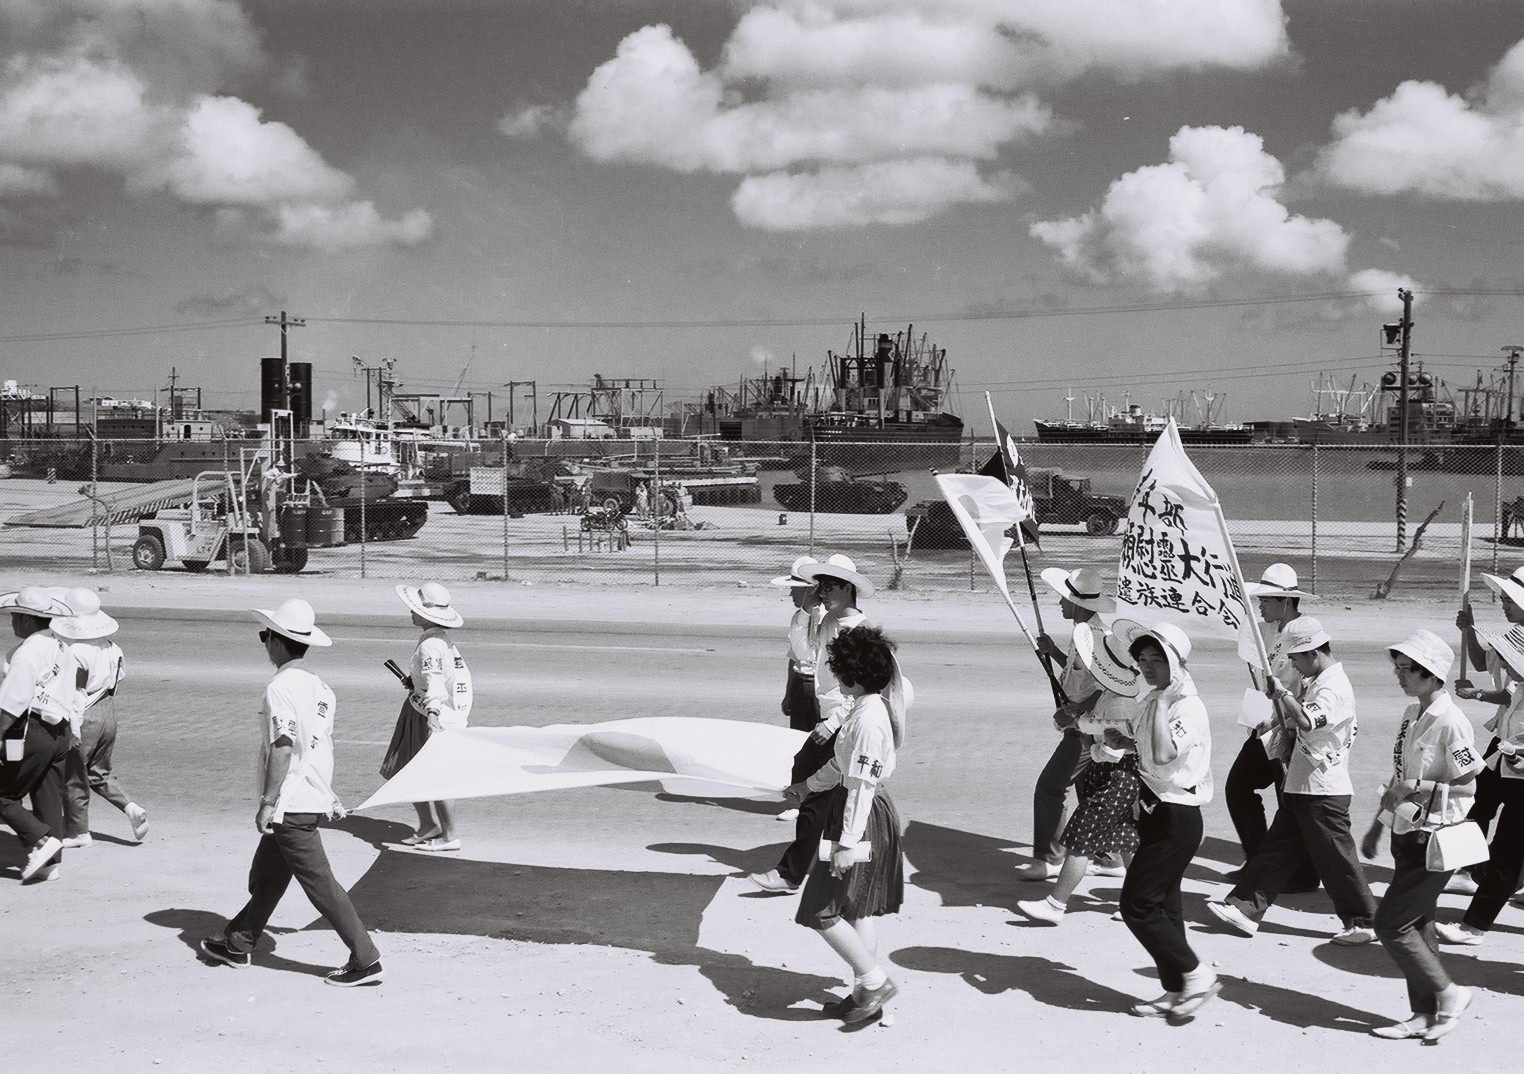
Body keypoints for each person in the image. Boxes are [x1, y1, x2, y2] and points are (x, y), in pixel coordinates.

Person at [199, 598, 383, 986]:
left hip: (291, 804)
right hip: (307, 796)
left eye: (265, 636)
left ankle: (365, 957)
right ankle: (238, 941)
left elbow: (283, 747)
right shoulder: (321, 688)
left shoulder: (280, 687)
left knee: (320, 883)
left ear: (278, 641)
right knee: (268, 875)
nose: (265, 643)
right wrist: (325, 793)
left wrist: (267, 802)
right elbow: (321, 746)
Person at [1206, 616, 1377, 944]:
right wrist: (1274, 722)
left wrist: (1282, 694)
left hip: (1323, 790)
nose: (1294, 666)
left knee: (1336, 858)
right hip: (1302, 784)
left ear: (1315, 653)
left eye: (1296, 658)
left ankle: (1365, 921)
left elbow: (1308, 721)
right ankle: (1245, 908)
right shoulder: (1318, 681)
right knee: (1276, 850)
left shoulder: (1333, 686)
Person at [1357, 629, 1482, 1040]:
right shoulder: (1412, 714)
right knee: (1420, 925)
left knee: (1391, 924)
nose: (1399, 675)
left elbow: (1468, 785)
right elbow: (1398, 777)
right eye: (1397, 667)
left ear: (1431, 674)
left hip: (1436, 840)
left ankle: (1450, 993)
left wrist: (1418, 787)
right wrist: (1378, 824)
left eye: (1407, 669)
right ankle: (1424, 1015)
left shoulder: (1452, 722)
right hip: (1406, 834)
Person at [784, 623, 909, 1024]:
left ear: (852, 675)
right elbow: (841, 766)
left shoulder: (868, 719)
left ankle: (874, 982)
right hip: (858, 810)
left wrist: (846, 844)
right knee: (857, 909)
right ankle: (862, 995)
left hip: (861, 818)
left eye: (837, 670)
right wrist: (806, 787)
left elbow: (861, 785)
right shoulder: (864, 708)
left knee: (819, 909)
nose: (834, 676)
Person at [1112, 619, 1219, 1024]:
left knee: (1137, 905)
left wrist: (1159, 704)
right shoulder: (1157, 699)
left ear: (1177, 662)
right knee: (1166, 907)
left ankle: (1197, 975)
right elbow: (1148, 750)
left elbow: (1162, 755)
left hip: (1178, 817)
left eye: (1157, 659)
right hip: (1156, 812)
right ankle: (1176, 989)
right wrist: (1126, 743)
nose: (1147, 666)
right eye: (1142, 659)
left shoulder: (1186, 705)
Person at [749, 554, 871, 894]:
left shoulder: (859, 632)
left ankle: (791, 873)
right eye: (820, 587)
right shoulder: (829, 621)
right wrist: (804, 611)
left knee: (815, 792)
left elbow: (864, 691)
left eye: (828, 587)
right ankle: (839, 860)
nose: (822, 593)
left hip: (844, 721)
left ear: (847, 588)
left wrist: (832, 725)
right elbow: (803, 653)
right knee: (819, 785)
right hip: (828, 716)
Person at [1015, 625, 1140, 923]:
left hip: (1115, 780)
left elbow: (1112, 750)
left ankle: (1055, 903)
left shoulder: (1118, 704)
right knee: (1124, 840)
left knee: (1079, 839)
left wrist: (1087, 739)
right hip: (1111, 778)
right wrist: (1079, 725)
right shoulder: (1111, 696)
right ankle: (1139, 901)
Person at [1224, 563, 1317, 892]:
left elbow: (1310, 687)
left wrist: (1283, 720)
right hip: (1265, 726)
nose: (1260, 605)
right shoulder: (1265, 630)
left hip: (1292, 729)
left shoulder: (1306, 631)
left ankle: (1303, 874)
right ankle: (1258, 860)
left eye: (1265, 600)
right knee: (1238, 787)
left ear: (1286, 601)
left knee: (1289, 802)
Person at [1021, 566, 1115, 881]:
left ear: (1077, 603)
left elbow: (1107, 686)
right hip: (1084, 726)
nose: (1060, 603)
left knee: (1050, 787)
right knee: (1092, 791)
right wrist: (1055, 652)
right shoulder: (1082, 632)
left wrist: (1074, 711)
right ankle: (1111, 857)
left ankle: (1050, 859)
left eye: (1064, 598)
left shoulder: (1096, 637)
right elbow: (1082, 673)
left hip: (1088, 730)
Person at [1437, 611, 1524, 947]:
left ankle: (1474, 927)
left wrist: (1477, 695)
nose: (1505, 667)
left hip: (1518, 770)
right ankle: (1468, 873)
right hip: (1508, 760)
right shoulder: (1520, 687)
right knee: (1488, 817)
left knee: (1507, 851)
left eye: (1511, 660)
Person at [1449, 564, 1524, 897]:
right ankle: (1472, 869)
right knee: (1481, 799)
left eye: (1510, 600)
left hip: (1518, 741)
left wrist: (1477, 694)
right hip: (1506, 735)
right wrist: (1469, 629)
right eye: (1503, 599)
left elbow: (1511, 692)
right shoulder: (1514, 636)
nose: (1504, 605)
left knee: (1500, 807)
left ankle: (1483, 872)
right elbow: (1482, 662)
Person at [382, 582, 473, 852]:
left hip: (427, 714)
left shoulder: (430, 645)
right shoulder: (438, 640)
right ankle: (427, 826)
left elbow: (435, 680)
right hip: (419, 708)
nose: (411, 612)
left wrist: (432, 712)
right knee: (407, 769)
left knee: (434, 774)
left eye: (415, 609)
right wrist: (414, 682)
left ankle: (449, 835)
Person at [56, 588, 148, 848]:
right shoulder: (112, 646)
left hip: (85, 715)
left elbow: (76, 693)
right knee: (99, 773)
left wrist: (74, 728)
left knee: (72, 775)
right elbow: (117, 679)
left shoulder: (76, 651)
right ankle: (130, 807)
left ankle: (77, 832)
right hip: (108, 711)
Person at [0, 587, 76, 883]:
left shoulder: (28, 651)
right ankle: (49, 865)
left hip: (32, 731)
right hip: (60, 731)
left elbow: (12, 703)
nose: (12, 622)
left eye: (14, 617)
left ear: (26, 619)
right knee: (48, 796)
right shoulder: (60, 645)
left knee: (4, 795)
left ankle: (42, 842)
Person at [771, 556, 822, 823]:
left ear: (809, 590)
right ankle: (798, 801)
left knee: (821, 747)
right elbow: (794, 659)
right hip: (803, 687)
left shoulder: (824, 616)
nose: (791, 593)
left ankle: (818, 800)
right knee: (799, 746)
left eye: (795, 588)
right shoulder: (799, 618)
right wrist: (789, 692)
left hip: (820, 689)